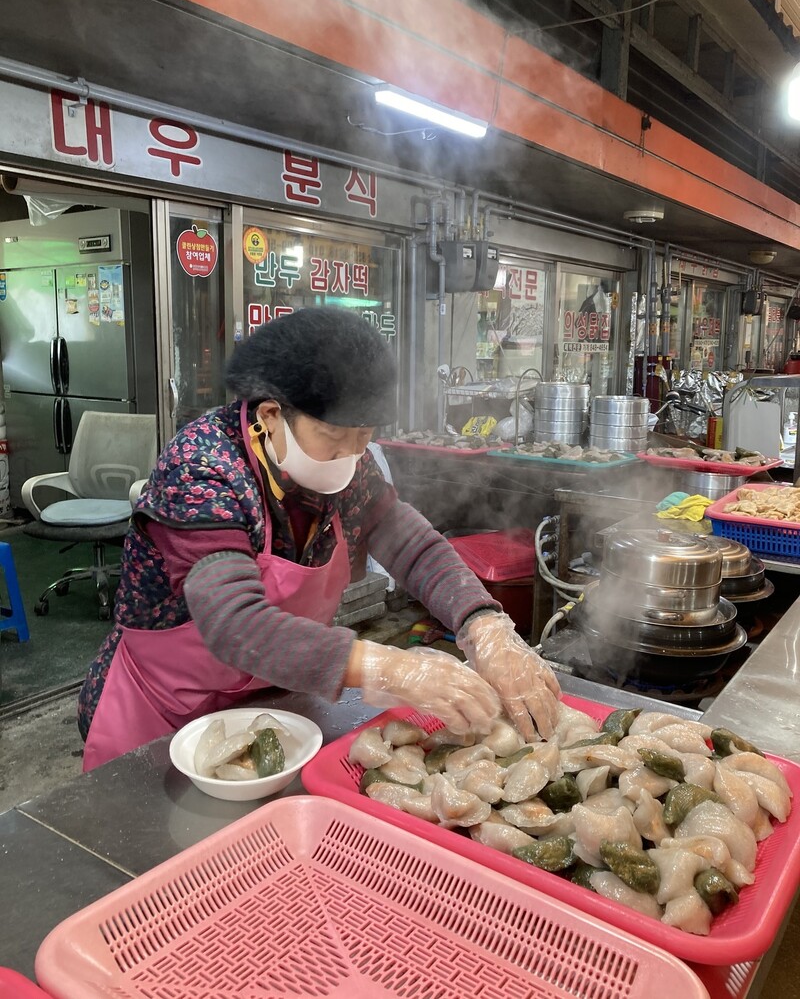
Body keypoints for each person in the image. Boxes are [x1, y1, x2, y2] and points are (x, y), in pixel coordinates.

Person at [78, 307, 560, 770]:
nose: (351, 455)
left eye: (364, 436)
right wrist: (389, 668)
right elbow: (233, 622)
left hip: (278, 698)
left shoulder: (346, 466)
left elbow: (411, 545)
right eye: (334, 436)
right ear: (271, 415)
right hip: (164, 711)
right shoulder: (202, 467)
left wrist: (485, 626)